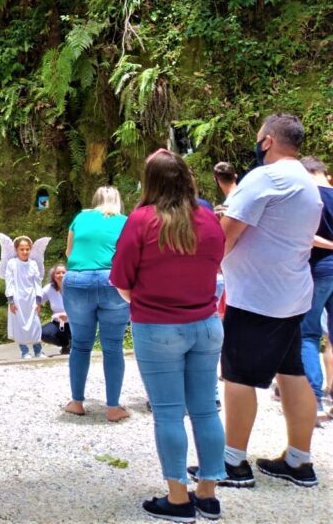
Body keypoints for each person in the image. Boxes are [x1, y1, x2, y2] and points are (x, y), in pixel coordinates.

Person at [206, 114, 322, 489]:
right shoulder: (306, 180)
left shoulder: (264, 177)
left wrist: (207, 268)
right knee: (292, 373)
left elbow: (228, 232)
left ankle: (232, 462)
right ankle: (299, 461)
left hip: (258, 297)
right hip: (293, 294)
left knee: (238, 375)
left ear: (268, 140)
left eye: (258, 139)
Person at [110, 149, 227, 522]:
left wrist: (142, 298)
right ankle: (207, 495)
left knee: (169, 414)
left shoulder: (142, 220)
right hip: (207, 324)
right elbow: (217, 261)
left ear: (151, 182)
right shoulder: (208, 219)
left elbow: (121, 278)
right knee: (206, 409)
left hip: (158, 325)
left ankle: (178, 499)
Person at [63, 185, 130, 421]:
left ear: (95, 200)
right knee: (113, 346)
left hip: (78, 282)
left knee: (80, 345)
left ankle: (77, 402)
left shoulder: (80, 217)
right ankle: (113, 408)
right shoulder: (125, 221)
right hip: (113, 282)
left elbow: (70, 253)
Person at [299, 157, 333, 414]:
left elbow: (306, 236)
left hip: (319, 270)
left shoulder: (311, 198)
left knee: (308, 334)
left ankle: (315, 400)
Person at [3, 236, 45, 359]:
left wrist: (38, 300)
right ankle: (24, 351)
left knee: (35, 323)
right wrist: (11, 300)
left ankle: (38, 350)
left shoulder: (33, 264)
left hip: (31, 297)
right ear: (16, 250)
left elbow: (37, 282)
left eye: (27, 249)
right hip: (17, 298)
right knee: (20, 324)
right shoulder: (12, 263)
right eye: (22, 249)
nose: (25, 252)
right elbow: (9, 281)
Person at [40, 264, 70, 354]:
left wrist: (67, 315)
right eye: (58, 273)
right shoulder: (49, 288)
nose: (61, 275)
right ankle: (66, 345)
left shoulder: (74, 287)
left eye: (63, 272)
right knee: (43, 333)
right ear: (53, 275)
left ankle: (75, 344)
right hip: (58, 323)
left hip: (75, 323)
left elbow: (82, 307)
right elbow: (37, 300)